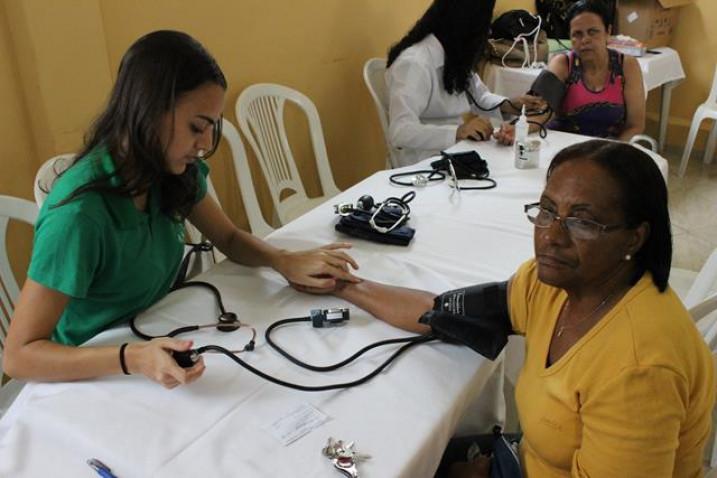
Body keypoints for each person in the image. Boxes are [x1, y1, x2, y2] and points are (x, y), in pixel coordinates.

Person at [303, 140, 715, 477]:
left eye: (582, 221)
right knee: (395, 451)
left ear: (634, 239)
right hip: (532, 461)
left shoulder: (639, 369)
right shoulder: (552, 285)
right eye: (548, 210)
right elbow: (439, 312)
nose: (552, 236)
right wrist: (345, 286)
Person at [3, 30, 360, 389]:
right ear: (148, 110)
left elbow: (230, 238)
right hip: (91, 368)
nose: (204, 144)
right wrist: (133, 357)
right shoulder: (79, 216)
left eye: (210, 129)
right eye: (196, 127)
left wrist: (284, 260)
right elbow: (19, 356)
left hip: (151, 337)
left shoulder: (165, 171)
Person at [385, 0, 544, 167]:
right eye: (483, 26)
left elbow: (479, 97)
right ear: (465, 26)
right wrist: (458, 132)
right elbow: (400, 131)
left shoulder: (454, 54)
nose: (487, 32)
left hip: (456, 150)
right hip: (422, 160)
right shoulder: (414, 63)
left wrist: (510, 104)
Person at [495, 0, 646, 145]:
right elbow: (539, 111)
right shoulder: (562, 64)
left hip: (610, 150)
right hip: (566, 150)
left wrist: (613, 151)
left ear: (608, 31)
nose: (585, 39)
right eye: (577, 34)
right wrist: (516, 130)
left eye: (593, 32)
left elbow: (635, 125)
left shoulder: (626, 65)